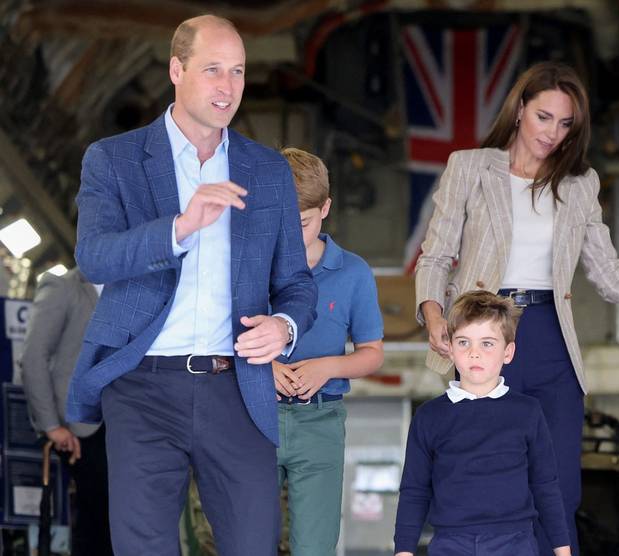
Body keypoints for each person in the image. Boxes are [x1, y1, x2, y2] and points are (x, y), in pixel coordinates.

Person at [413, 61, 619, 554]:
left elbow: (611, 278)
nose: (553, 132)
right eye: (544, 116)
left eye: (565, 122)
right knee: (488, 486)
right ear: (520, 109)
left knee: (558, 491)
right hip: (485, 335)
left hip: (552, 339)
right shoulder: (469, 166)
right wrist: (434, 314)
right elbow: (437, 255)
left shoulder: (578, 184)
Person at [64, 15, 317, 556]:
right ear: (177, 70)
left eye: (238, 71)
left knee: (254, 544)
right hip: (143, 386)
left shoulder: (268, 171)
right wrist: (179, 227)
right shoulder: (114, 158)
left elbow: (295, 282)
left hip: (237, 387)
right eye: (212, 70)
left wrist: (284, 325)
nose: (227, 86)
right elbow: (94, 257)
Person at [395, 290, 571, 556]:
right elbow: (414, 490)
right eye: (464, 342)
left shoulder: (527, 412)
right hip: (450, 544)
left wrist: (563, 551)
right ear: (450, 349)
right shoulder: (430, 417)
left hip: (515, 544)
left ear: (508, 352)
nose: (474, 354)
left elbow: (545, 484)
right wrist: (403, 552)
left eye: (487, 343)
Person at [272, 148, 384, 555]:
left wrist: (329, 367)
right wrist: (266, 367)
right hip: (254, 417)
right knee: (246, 540)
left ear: (325, 209)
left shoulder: (353, 271)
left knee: (315, 546)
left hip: (321, 420)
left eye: (301, 222)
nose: (290, 233)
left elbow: (372, 352)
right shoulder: (251, 266)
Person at [21, 268, 112, 556]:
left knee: (120, 517)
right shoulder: (62, 287)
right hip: (80, 425)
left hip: (122, 420)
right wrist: (51, 426)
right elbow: (33, 357)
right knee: (96, 518)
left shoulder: (128, 287)